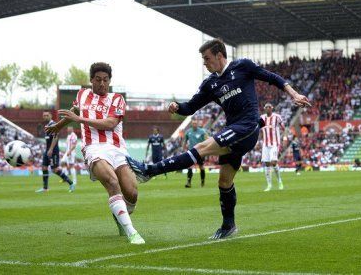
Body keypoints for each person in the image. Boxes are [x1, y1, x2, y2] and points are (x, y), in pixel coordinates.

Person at [126, 39, 311, 239]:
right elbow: (190, 107)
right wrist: (177, 107)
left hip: (248, 127)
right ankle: (228, 226)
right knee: (224, 182)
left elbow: (273, 78)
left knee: (202, 147)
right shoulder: (210, 84)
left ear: (219, 55)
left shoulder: (243, 66)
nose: (204, 63)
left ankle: (150, 170)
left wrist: (294, 93)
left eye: (207, 58)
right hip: (233, 130)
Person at [45, 62, 145, 244]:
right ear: (91, 80)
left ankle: (119, 215)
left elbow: (110, 123)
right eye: (98, 80)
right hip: (93, 148)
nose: (102, 84)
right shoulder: (82, 95)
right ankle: (132, 232)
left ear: (109, 81)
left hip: (117, 149)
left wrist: (79, 119)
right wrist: (58, 126)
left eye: (106, 80)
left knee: (132, 193)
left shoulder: (117, 99)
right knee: (112, 182)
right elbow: (75, 111)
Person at [36, 112, 75, 193]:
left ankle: (71, 183)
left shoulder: (53, 124)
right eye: (44, 115)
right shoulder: (46, 125)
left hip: (53, 150)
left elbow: (56, 136)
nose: (45, 117)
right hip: (47, 150)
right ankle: (45, 188)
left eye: (47, 115)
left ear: (50, 116)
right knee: (44, 167)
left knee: (55, 169)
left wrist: (50, 149)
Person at [260, 103, 284, 191]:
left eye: (269, 107)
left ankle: (280, 181)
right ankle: (269, 185)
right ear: (264, 108)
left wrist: (283, 139)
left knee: (273, 162)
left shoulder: (277, 117)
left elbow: (283, 128)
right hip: (265, 144)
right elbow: (259, 130)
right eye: (266, 107)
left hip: (274, 143)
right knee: (266, 164)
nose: (268, 108)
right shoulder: (261, 118)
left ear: (272, 108)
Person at [183, 118, 208, 188]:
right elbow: (185, 141)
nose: (194, 124)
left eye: (195, 123)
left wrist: (206, 150)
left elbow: (207, 140)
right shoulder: (188, 132)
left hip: (201, 152)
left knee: (201, 167)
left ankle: (202, 182)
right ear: (191, 124)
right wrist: (184, 148)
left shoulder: (202, 131)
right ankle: (188, 182)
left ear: (197, 124)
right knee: (190, 166)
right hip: (191, 152)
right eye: (193, 123)